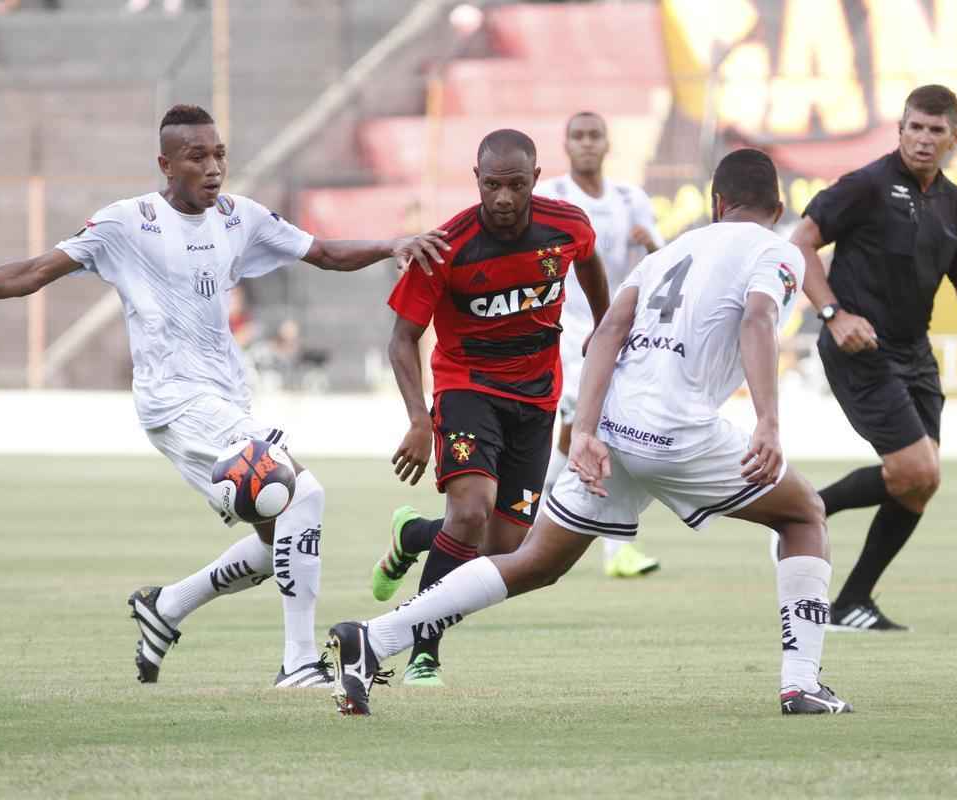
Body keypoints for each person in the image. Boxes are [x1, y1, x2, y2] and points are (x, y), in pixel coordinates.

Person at [328, 148, 853, 716]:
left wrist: (584, 430)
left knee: (534, 562)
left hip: (614, 427)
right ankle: (801, 684)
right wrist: (769, 423)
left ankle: (373, 639)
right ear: (777, 208)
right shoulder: (778, 251)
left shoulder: (669, 252)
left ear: (715, 203)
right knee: (803, 515)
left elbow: (606, 334)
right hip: (676, 428)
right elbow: (757, 318)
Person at [0, 104, 448, 687]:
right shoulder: (127, 223)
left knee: (281, 532)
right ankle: (298, 664)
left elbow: (322, 252)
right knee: (303, 493)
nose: (214, 166)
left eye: (219, 153)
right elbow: (33, 272)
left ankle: (167, 606)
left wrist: (389, 245)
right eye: (197, 156)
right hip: (174, 401)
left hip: (225, 400)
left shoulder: (237, 218)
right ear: (166, 164)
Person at [789, 85, 957, 631]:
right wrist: (833, 314)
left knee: (921, 483)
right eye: (915, 127)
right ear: (900, 129)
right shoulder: (866, 186)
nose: (924, 139)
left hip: (914, 354)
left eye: (936, 130)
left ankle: (852, 600)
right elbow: (800, 243)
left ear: (955, 137)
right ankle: (803, 510)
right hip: (858, 348)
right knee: (917, 468)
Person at [369, 128, 610, 687]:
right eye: (493, 185)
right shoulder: (447, 246)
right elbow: (402, 338)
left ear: (535, 180)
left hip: (537, 396)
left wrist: (603, 326)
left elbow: (592, 262)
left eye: (516, 185)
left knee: (503, 548)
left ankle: (414, 538)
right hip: (467, 388)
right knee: (471, 512)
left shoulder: (567, 226)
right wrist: (418, 420)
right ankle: (423, 648)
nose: (503, 198)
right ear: (476, 179)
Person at [535, 110, 665, 579]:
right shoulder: (551, 196)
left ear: (608, 145)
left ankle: (535, 501)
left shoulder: (631, 200)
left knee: (591, 430)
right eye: (578, 136)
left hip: (614, 331)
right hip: (564, 330)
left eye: (595, 136)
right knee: (589, 426)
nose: (587, 144)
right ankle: (603, 542)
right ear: (566, 145)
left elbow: (664, 262)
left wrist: (651, 242)